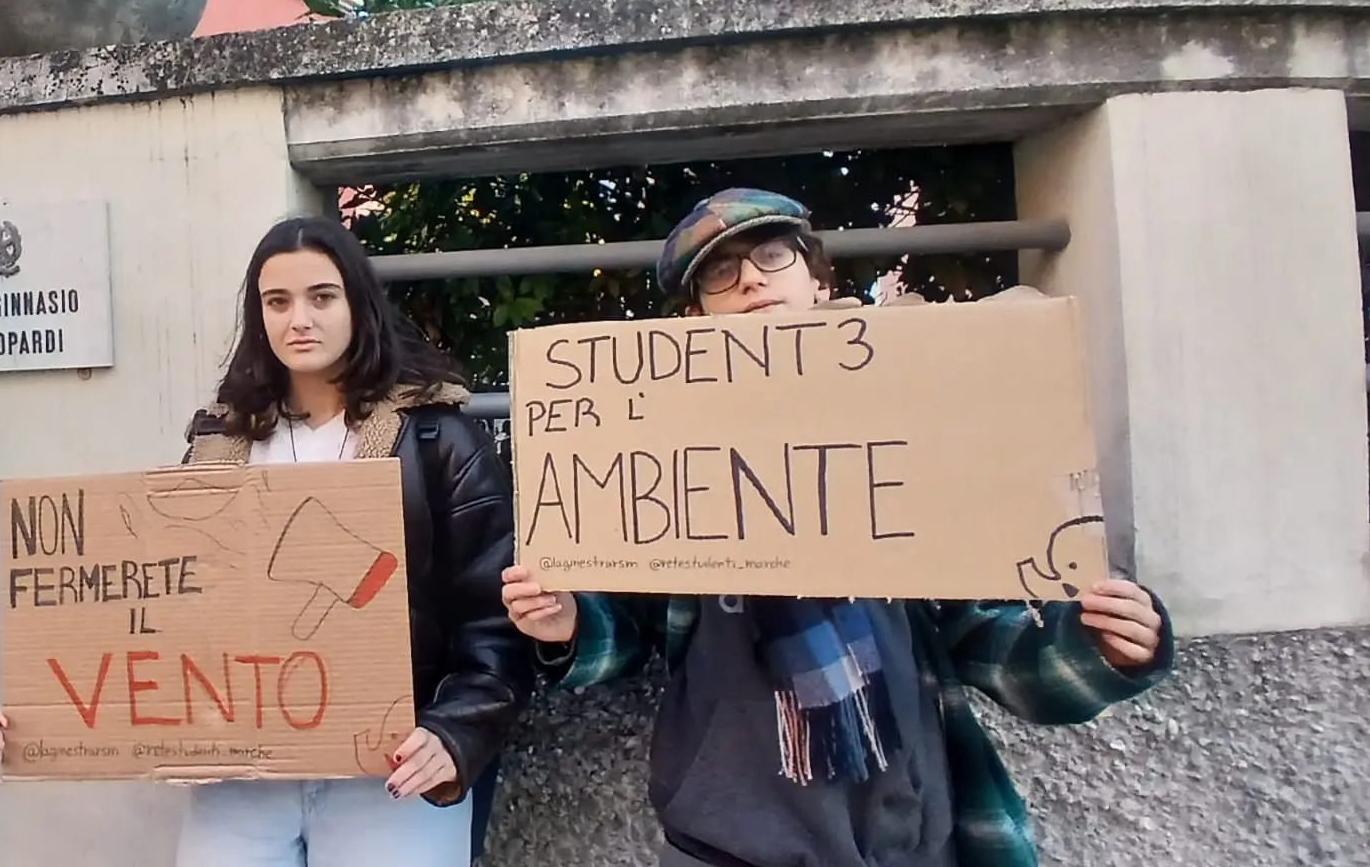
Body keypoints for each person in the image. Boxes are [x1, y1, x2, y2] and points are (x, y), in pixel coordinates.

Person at [500, 187, 1176, 867]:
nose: (751, 279)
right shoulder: (660, 450)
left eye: (773, 255)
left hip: (914, 835)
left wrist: (1099, 648)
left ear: (819, 282)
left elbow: (988, 637)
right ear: (694, 317)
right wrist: (568, 624)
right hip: (726, 841)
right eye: (720, 272)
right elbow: (626, 621)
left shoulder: (915, 431)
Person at [0, 215, 532, 867]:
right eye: (277, 301)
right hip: (241, 785)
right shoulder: (218, 445)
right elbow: (158, 611)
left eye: (321, 297)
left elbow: (494, 618)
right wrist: (50, 711)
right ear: (258, 315)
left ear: (359, 304)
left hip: (389, 774)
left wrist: (453, 733)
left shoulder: (437, 440)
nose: (299, 319)